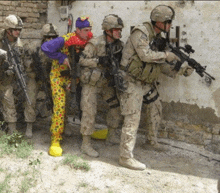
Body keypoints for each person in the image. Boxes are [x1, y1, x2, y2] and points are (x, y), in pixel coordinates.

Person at [118, 5, 194, 170]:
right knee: (132, 117)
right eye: (168, 22)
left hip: (144, 81)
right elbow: (145, 55)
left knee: (155, 105)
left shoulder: (158, 37)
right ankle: (125, 157)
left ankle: (151, 141)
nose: (170, 26)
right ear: (160, 21)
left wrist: (180, 70)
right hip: (130, 80)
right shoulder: (141, 32)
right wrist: (167, 55)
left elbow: (159, 64)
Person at [41, 16, 93, 157]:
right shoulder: (65, 39)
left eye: (90, 30)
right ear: (77, 30)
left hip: (72, 78)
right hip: (58, 77)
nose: (88, 33)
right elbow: (45, 47)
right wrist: (61, 57)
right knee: (59, 106)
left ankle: (64, 127)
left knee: (70, 106)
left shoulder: (87, 41)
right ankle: (55, 139)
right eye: (85, 30)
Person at [79, 14, 124, 157]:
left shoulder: (119, 45)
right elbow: (82, 61)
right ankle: (85, 144)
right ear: (108, 30)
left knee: (115, 108)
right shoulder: (95, 43)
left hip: (107, 83)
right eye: (116, 29)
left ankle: (111, 135)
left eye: (120, 29)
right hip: (92, 83)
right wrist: (98, 61)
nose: (119, 32)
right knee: (89, 111)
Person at [0, 15, 37, 137]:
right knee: (7, 97)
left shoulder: (21, 45)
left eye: (20, 30)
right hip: (3, 77)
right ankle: (11, 129)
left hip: (12, 78)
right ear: (8, 30)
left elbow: (26, 64)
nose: (18, 32)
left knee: (23, 95)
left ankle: (21, 128)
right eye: (16, 29)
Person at [24, 23, 58, 133]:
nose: (51, 40)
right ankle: (29, 125)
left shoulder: (59, 48)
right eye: (48, 37)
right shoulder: (34, 47)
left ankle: (60, 125)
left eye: (54, 37)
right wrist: (33, 70)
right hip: (35, 77)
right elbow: (26, 62)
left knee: (57, 101)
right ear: (43, 37)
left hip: (52, 78)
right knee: (30, 99)